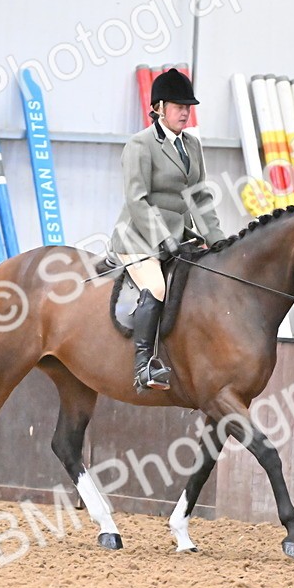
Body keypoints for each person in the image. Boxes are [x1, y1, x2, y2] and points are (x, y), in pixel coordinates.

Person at [109, 68, 226, 392]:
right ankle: (143, 366)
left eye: (188, 107)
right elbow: (137, 199)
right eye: (178, 106)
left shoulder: (192, 145)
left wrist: (218, 240)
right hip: (139, 238)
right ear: (159, 107)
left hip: (179, 236)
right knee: (157, 287)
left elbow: (199, 196)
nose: (185, 112)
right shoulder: (141, 144)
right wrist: (162, 237)